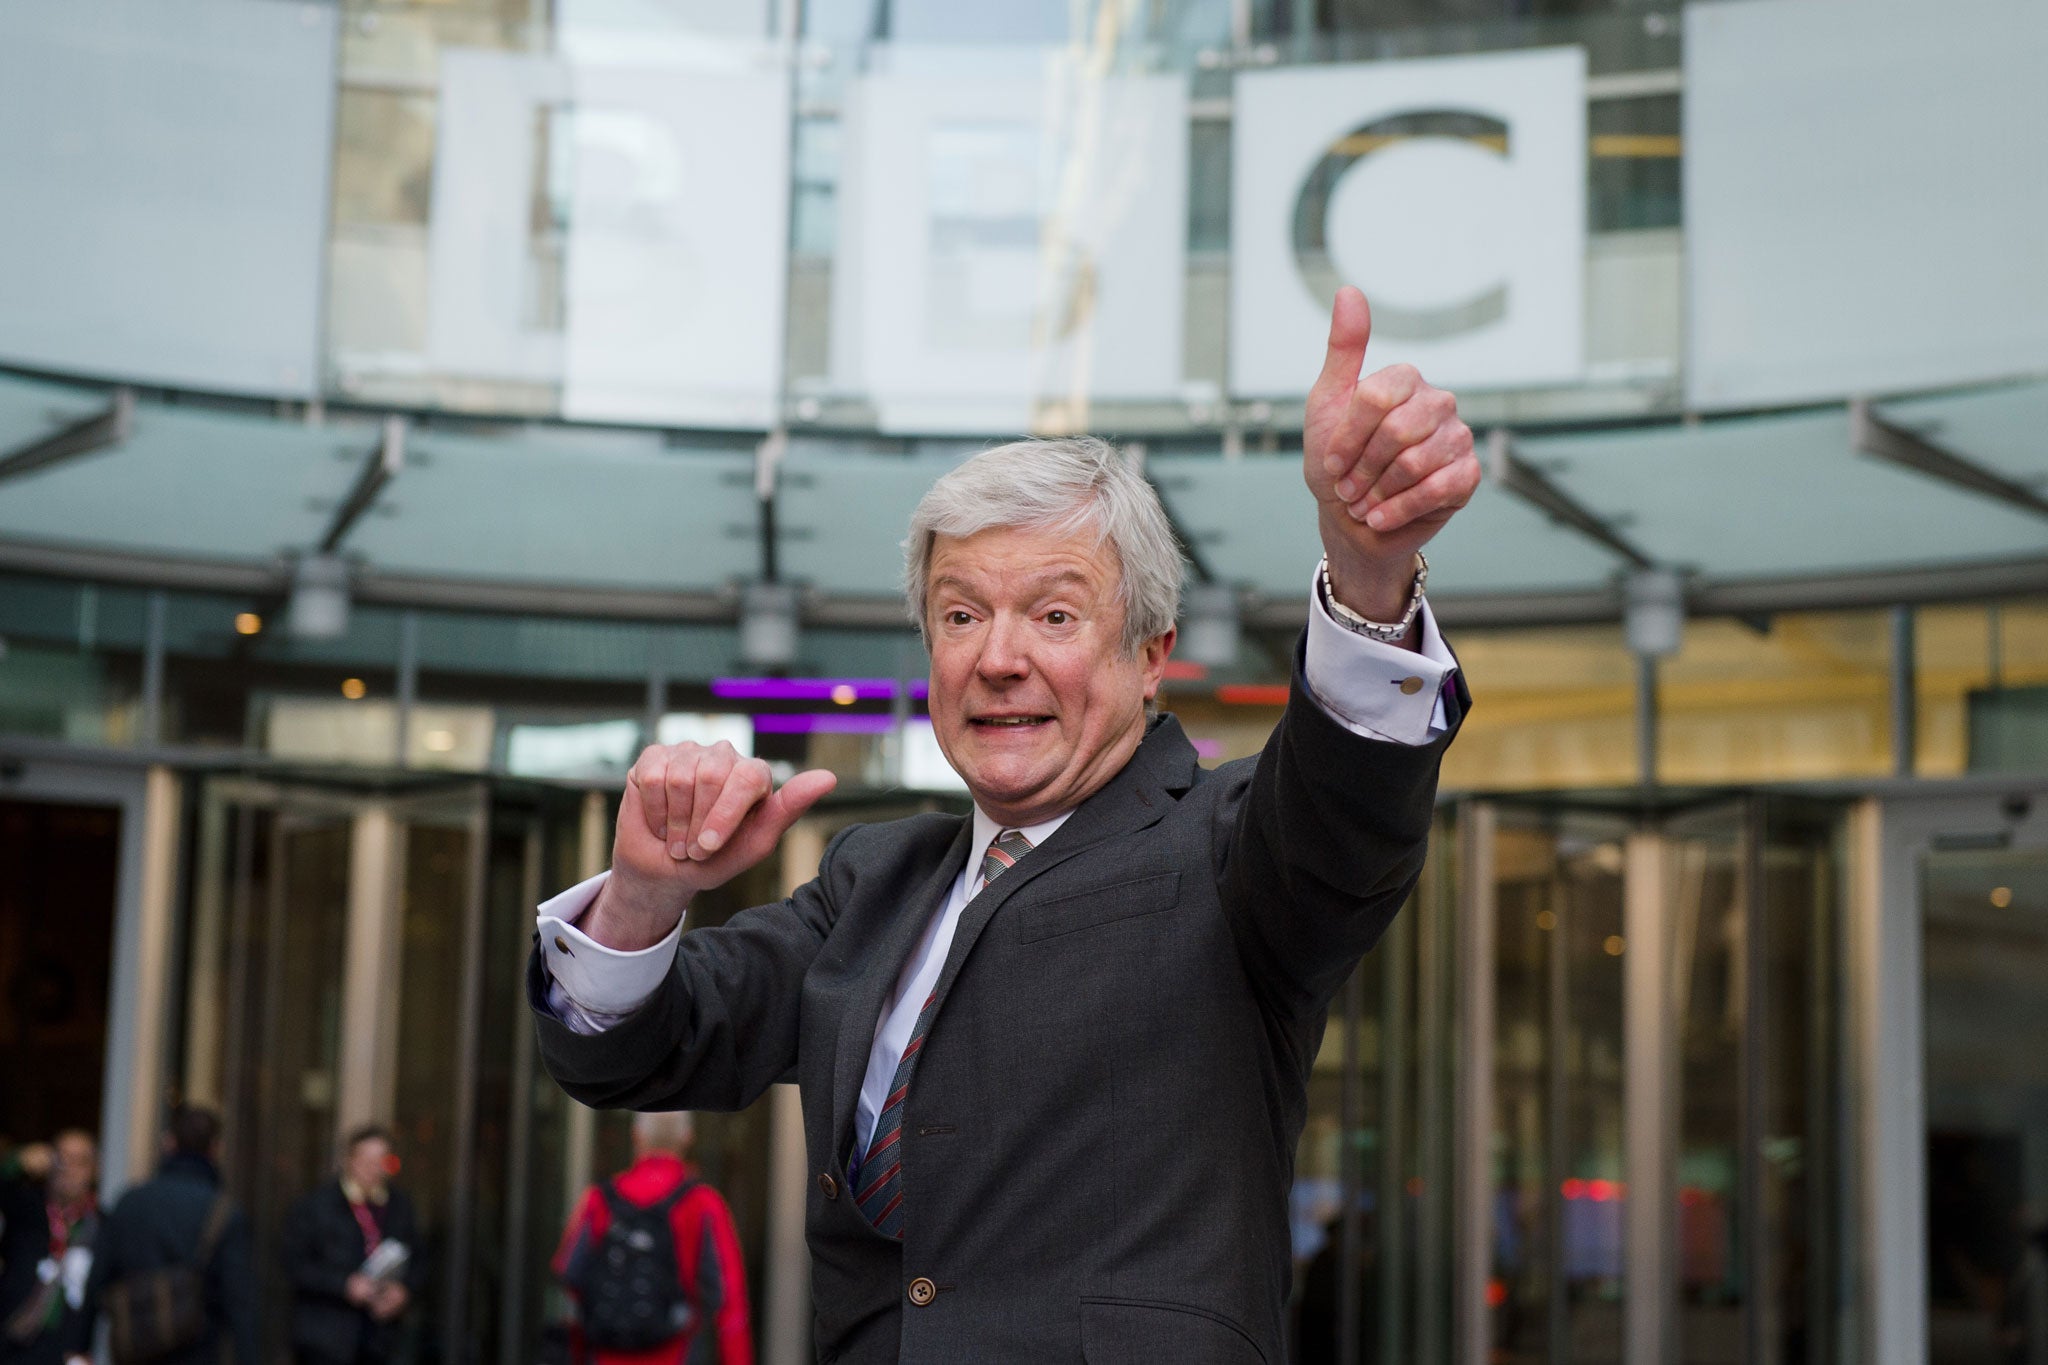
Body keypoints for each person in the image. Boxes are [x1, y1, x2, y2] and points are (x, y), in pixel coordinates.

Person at [529, 286, 1476, 1362]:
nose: (997, 656)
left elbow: (1344, 815)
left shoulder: (1226, 849)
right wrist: (646, 891)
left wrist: (1364, 574)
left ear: (1150, 653)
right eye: (961, 613)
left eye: (1055, 614)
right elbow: (629, 1056)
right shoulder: (872, 881)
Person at [553, 1111, 752, 1365]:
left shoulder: (599, 1199)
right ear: (688, 1137)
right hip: (677, 1354)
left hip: (604, 1356)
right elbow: (730, 1304)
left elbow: (570, 1279)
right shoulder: (704, 1203)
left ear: (636, 1135)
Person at [82, 1105, 257, 1365]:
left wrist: (79, 1346)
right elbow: (239, 1303)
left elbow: (97, 1278)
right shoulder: (224, 1213)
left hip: (134, 1348)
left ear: (168, 1143)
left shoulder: (130, 1202)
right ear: (216, 1148)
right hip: (195, 1352)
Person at [282, 1124, 424, 1365]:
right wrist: (344, 1285)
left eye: (380, 1161)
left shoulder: (400, 1206)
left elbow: (420, 1259)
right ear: (349, 1160)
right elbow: (295, 1265)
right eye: (365, 1160)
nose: (373, 1169)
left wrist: (404, 1290)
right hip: (326, 1339)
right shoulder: (317, 1206)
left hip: (381, 1339)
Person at [1, 1130, 98, 1365]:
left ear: (94, 1170)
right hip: (14, 1344)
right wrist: (17, 1162)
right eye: (61, 1158)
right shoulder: (27, 1210)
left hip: (69, 1352)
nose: (68, 1168)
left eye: (79, 1161)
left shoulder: (101, 1227)